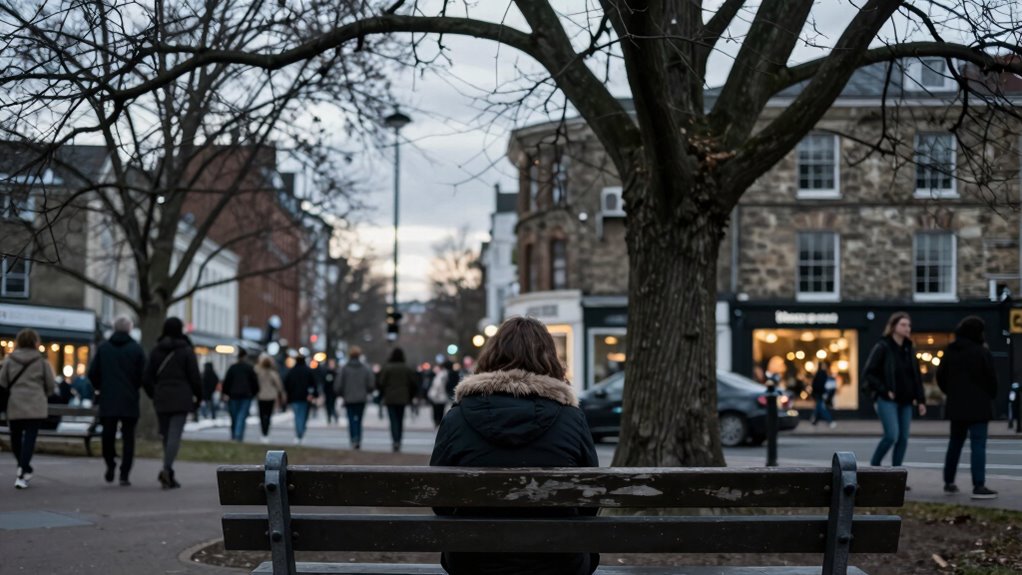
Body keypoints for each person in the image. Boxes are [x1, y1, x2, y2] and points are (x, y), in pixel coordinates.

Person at [430, 316, 599, 575]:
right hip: (558, 561)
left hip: (473, 560)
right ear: (549, 359)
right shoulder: (572, 418)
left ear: (492, 355)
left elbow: (439, 498)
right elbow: (590, 497)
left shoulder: (458, 416)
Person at [937, 316, 999, 500]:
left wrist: (951, 392)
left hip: (957, 405)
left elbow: (940, 377)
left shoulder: (951, 350)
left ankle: (949, 481)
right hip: (979, 406)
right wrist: (989, 395)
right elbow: (992, 379)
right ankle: (978, 485)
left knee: (955, 444)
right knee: (978, 445)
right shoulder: (982, 352)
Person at [864, 312, 927, 476]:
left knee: (903, 438)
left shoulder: (909, 348)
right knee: (892, 435)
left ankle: (897, 475)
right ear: (893, 327)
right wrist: (885, 390)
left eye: (909, 325)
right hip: (887, 399)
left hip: (906, 400)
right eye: (903, 325)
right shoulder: (883, 346)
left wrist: (921, 400)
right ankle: (874, 468)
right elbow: (869, 373)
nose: (907, 328)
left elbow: (916, 376)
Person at [143, 317, 202, 489]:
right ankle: (167, 469)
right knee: (174, 436)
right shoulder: (186, 350)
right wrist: (199, 396)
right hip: (181, 398)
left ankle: (168, 470)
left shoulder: (156, 350)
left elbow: (146, 377)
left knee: (166, 435)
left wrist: (154, 394)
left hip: (162, 397)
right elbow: (195, 377)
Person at [87, 316, 146, 486]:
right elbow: (143, 375)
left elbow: (93, 373)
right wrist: (135, 386)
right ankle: (124, 473)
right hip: (129, 399)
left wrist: (100, 387)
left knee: (108, 435)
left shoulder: (104, 348)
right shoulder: (136, 349)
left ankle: (110, 463)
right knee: (128, 438)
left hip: (108, 398)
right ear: (129, 329)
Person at [0, 329, 56, 489]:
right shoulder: (42, 362)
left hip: (15, 403)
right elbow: (50, 384)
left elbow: (2, 382)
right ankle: (23, 468)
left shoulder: (10, 360)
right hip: (35, 404)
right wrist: (44, 394)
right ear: (35, 342)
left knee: (16, 438)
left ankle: (22, 466)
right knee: (30, 438)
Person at [376, 348, 419, 452]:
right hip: (403, 397)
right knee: (400, 419)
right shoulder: (406, 368)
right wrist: (411, 396)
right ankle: (399, 440)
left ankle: (395, 440)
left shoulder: (387, 368)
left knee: (393, 420)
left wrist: (383, 394)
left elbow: (381, 382)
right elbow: (414, 383)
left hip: (390, 397)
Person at [335, 347, 374, 449]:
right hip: (361, 398)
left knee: (351, 419)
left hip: (348, 398)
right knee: (359, 420)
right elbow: (371, 384)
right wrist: (367, 391)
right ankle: (358, 438)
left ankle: (353, 438)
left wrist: (340, 393)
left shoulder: (345, 368)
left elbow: (339, 384)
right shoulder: (365, 368)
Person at [222, 349, 259, 442]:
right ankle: (238, 435)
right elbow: (254, 382)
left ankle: (235, 434)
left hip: (234, 395)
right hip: (246, 395)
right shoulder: (249, 368)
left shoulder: (233, 368)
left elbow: (227, 382)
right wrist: (253, 393)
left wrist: (225, 393)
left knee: (234, 416)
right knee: (241, 416)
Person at [283, 353, 317, 445]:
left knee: (297, 416)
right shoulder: (308, 371)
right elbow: (313, 384)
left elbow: (286, 384)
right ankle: (300, 433)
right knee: (303, 416)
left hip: (295, 397)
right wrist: (313, 394)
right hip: (305, 397)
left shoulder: (292, 371)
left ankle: (299, 433)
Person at [254, 353, 285, 444]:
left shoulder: (258, 372)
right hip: (271, 397)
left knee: (262, 415)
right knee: (268, 415)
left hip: (261, 396)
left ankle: (263, 431)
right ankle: (266, 432)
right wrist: (281, 394)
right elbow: (279, 385)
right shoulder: (273, 373)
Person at [810, 361, 836, 428]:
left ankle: (815, 420)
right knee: (821, 408)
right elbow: (816, 385)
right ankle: (829, 421)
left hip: (820, 394)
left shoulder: (822, 374)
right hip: (819, 394)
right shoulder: (821, 374)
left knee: (819, 407)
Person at [427, 361, 452, 429]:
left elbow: (437, 385)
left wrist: (434, 394)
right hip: (441, 396)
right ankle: (438, 422)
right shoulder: (445, 374)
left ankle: (437, 422)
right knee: (440, 410)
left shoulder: (441, 374)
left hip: (438, 396)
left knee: (437, 410)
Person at [321, 358, 339, 425]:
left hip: (334, 392)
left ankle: (334, 416)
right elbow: (324, 382)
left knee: (333, 405)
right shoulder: (326, 372)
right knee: (328, 405)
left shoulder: (336, 372)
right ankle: (329, 417)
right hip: (327, 392)